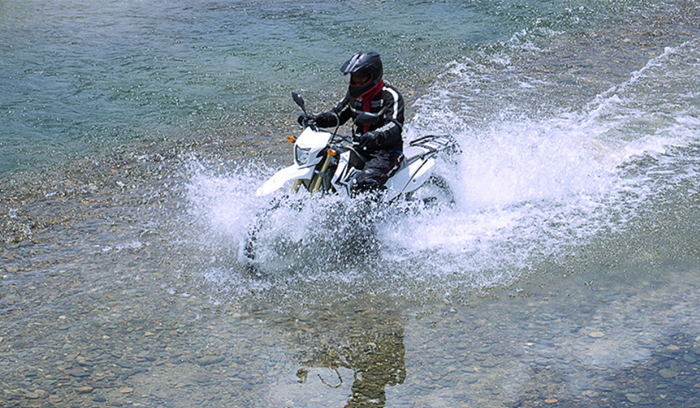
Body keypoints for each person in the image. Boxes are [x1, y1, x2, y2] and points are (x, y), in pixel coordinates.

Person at [298, 51, 405, 193]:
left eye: (361, 77)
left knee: (364, 182)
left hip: (386, 153)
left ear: (373, 75)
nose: (357, 81)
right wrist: (315, 119)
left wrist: (375, 135)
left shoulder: (390, 96)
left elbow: (395, 126)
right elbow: (337, 115)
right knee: (327, 164)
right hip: (359, 148)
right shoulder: (354, 96)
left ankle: (377, 214)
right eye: (354, 77)